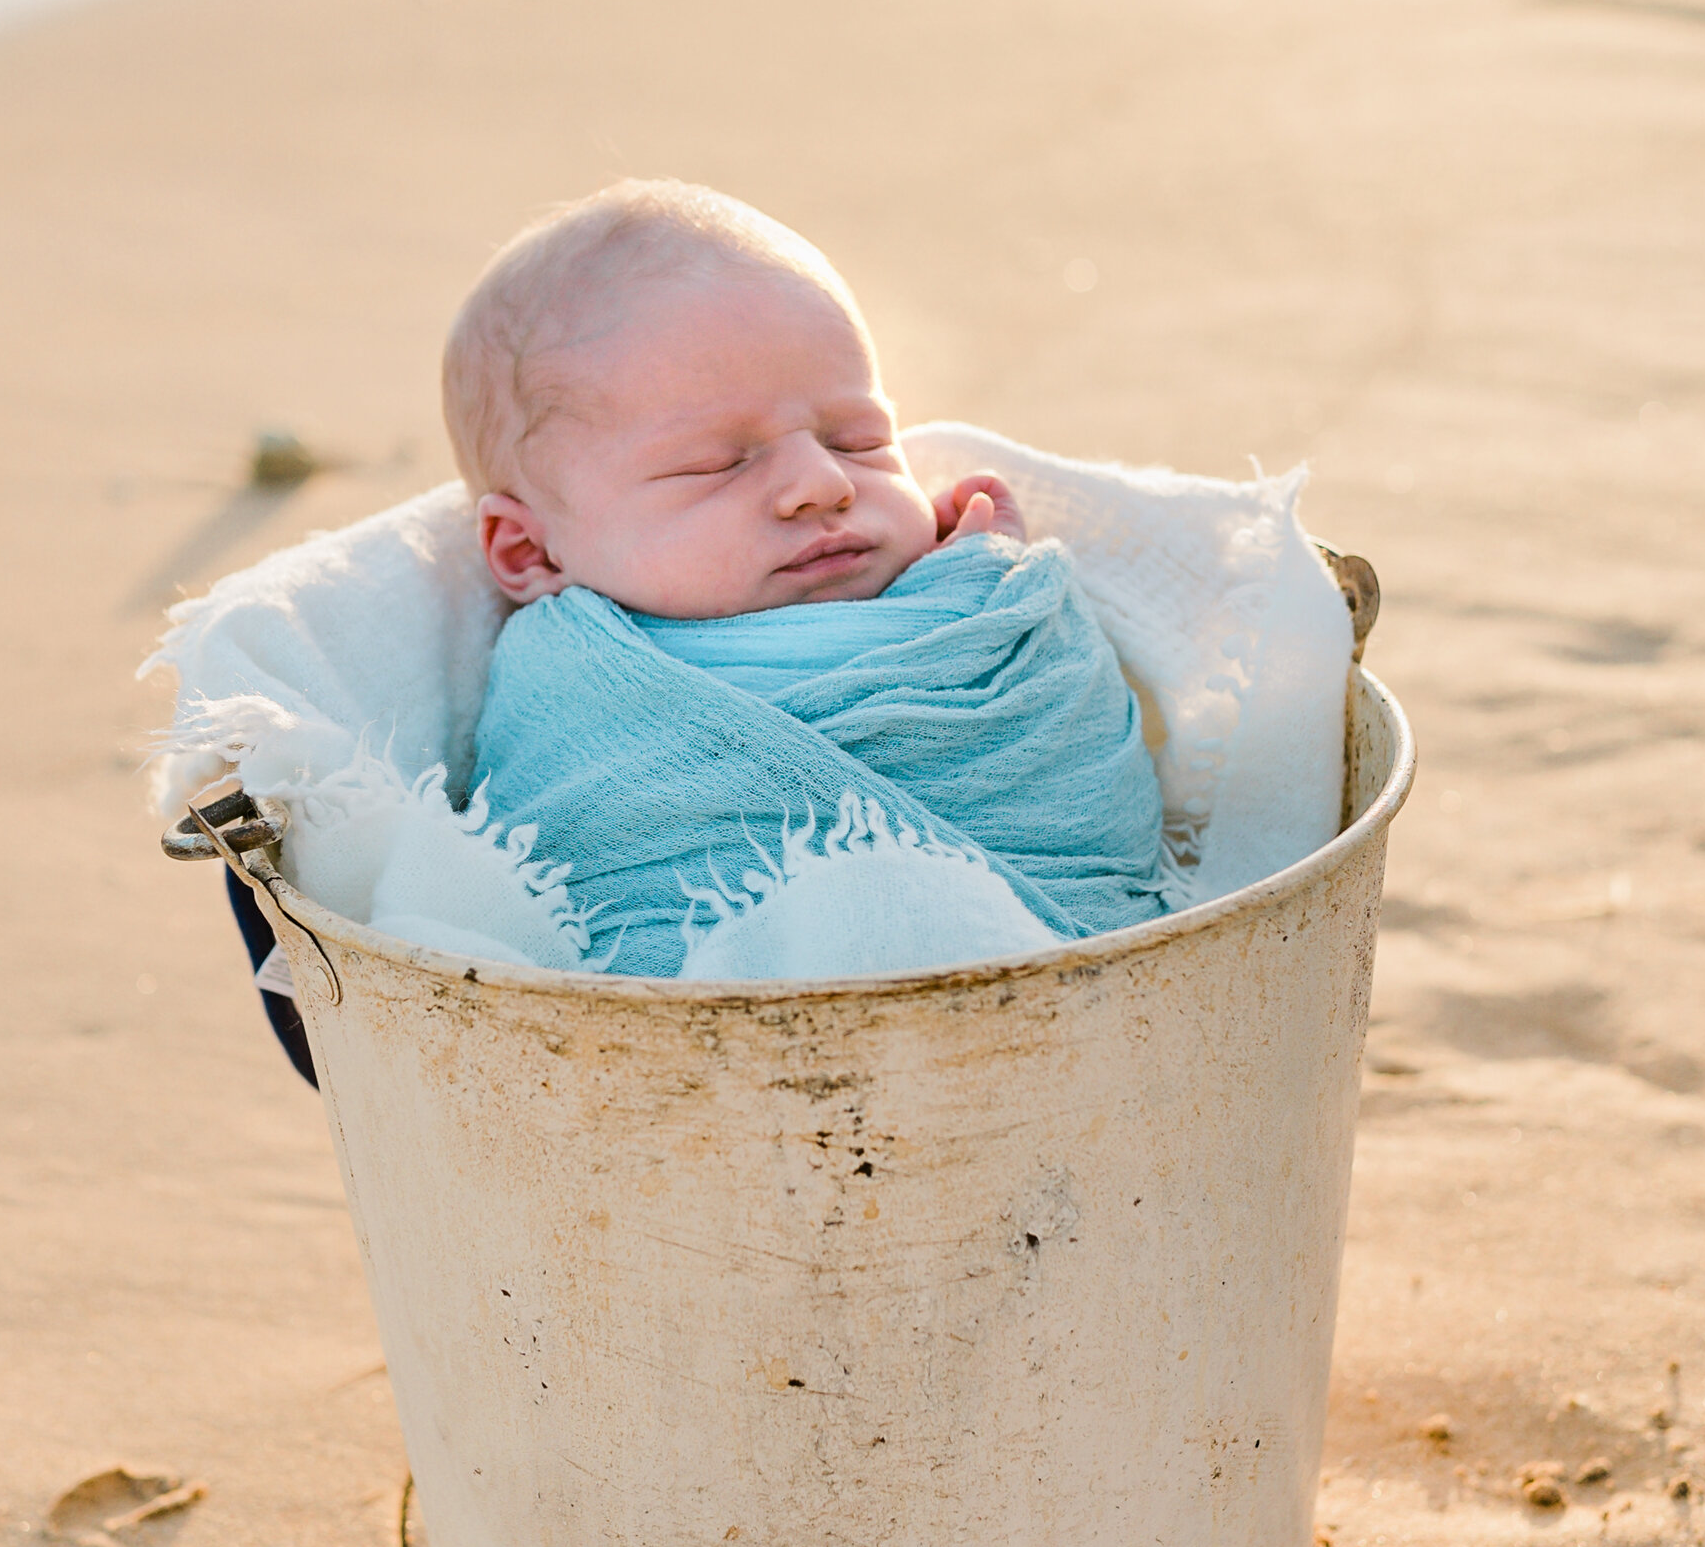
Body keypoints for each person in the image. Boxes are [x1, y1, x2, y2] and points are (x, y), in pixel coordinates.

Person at [443, 180, 1168, 975]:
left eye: (859, 439)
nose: (822, 484)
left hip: (1087, 976)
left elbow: (1060, 759)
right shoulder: (570, 683)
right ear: (530, 553)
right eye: (718, 464)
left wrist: (981, 588)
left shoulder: (966, 596)